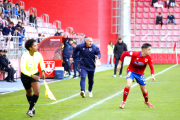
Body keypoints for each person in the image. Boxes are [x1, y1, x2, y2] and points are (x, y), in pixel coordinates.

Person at [117, 43, 155, 109]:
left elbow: (151, 68)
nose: (150, 51)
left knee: (144, 90)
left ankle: (146, 101)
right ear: (143, 50)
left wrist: (152, 75)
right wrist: (119, 64)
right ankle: (123, 102)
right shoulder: (135, 54)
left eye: (150, 49)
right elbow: (124, 53)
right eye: (149, 50)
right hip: (131, 71)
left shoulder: (148, 58)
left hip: (140, 74)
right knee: (128, 85)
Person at [21, 39, 45, 117]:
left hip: (35, 73)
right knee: (29, 93)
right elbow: (23, 69)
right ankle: (32, 107)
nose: (37, 46)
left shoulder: (38, 54)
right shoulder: (25, 56)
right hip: (26, 76)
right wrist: (31, 75)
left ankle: (30, 110)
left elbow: (42, 62)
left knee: (37, 92)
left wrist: (43, 71)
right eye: (35, 46)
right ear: (30, 48)